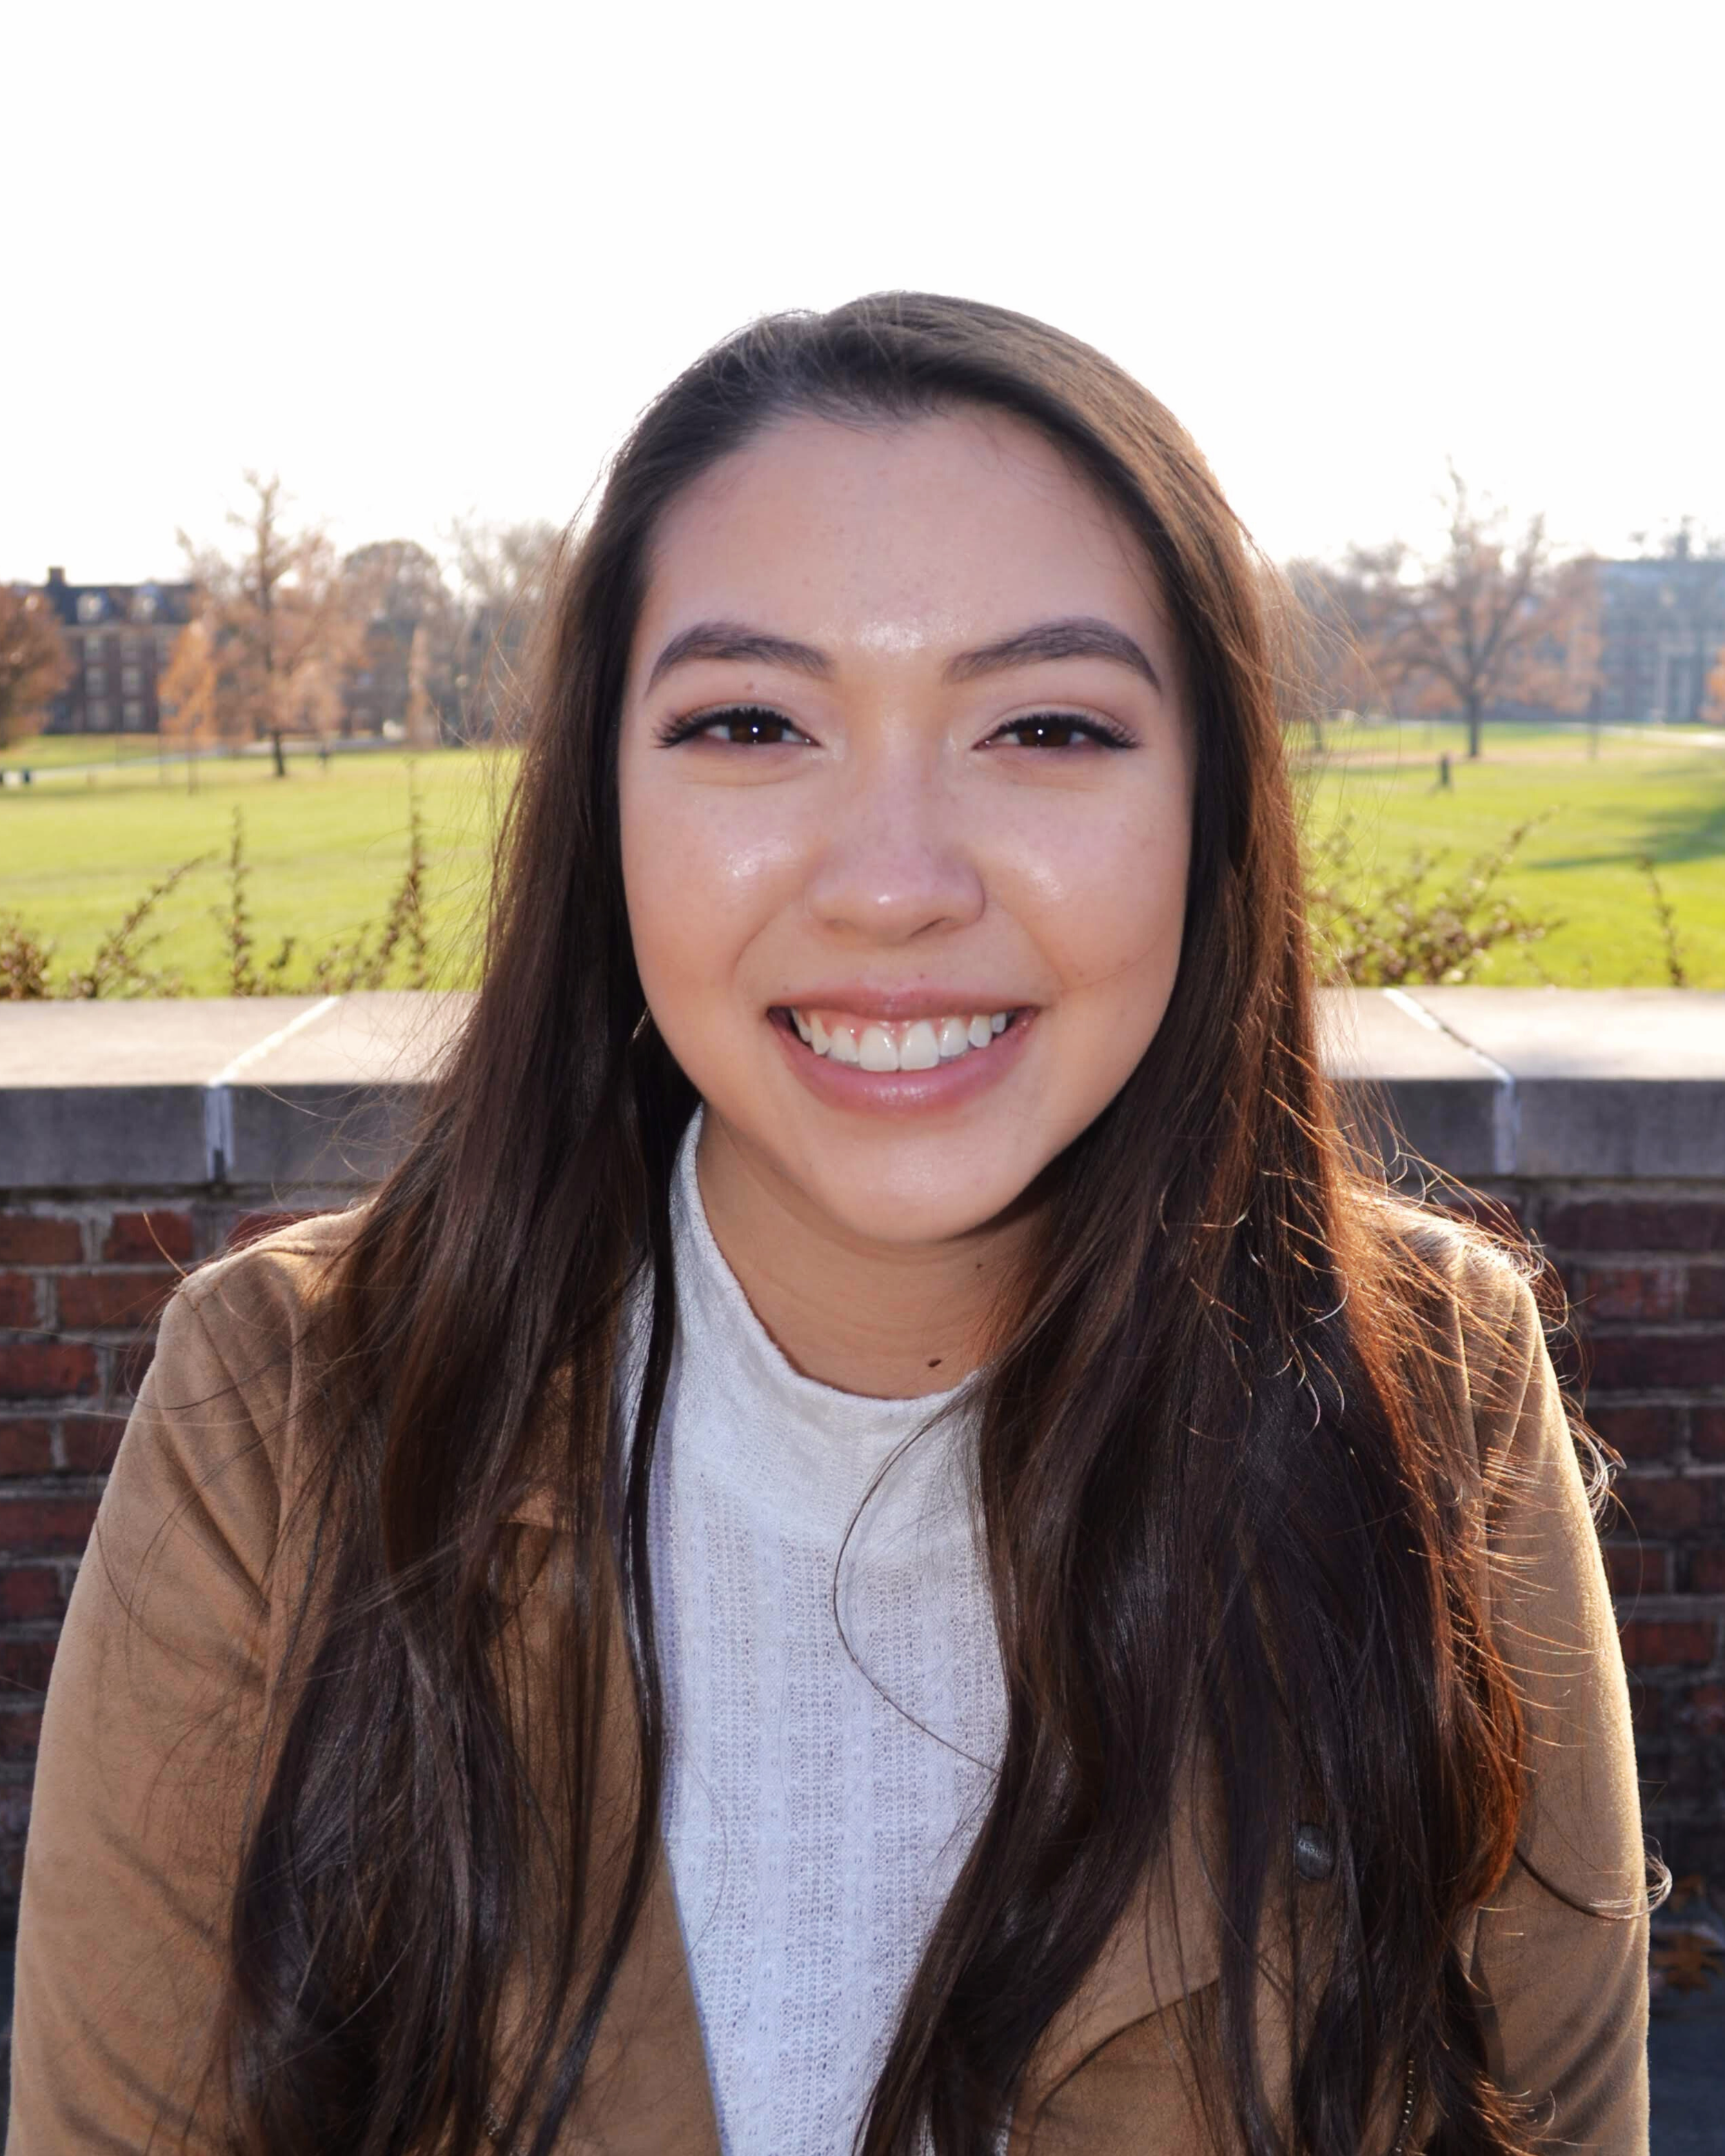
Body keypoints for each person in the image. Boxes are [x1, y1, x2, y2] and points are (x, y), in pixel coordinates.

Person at [9, 293, 1653, 2156]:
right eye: (748, 721)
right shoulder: (285, 1418)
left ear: (1210, 814)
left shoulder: (1424, 1395)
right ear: (601, 815)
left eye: (1042, 724)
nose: (890, 886)